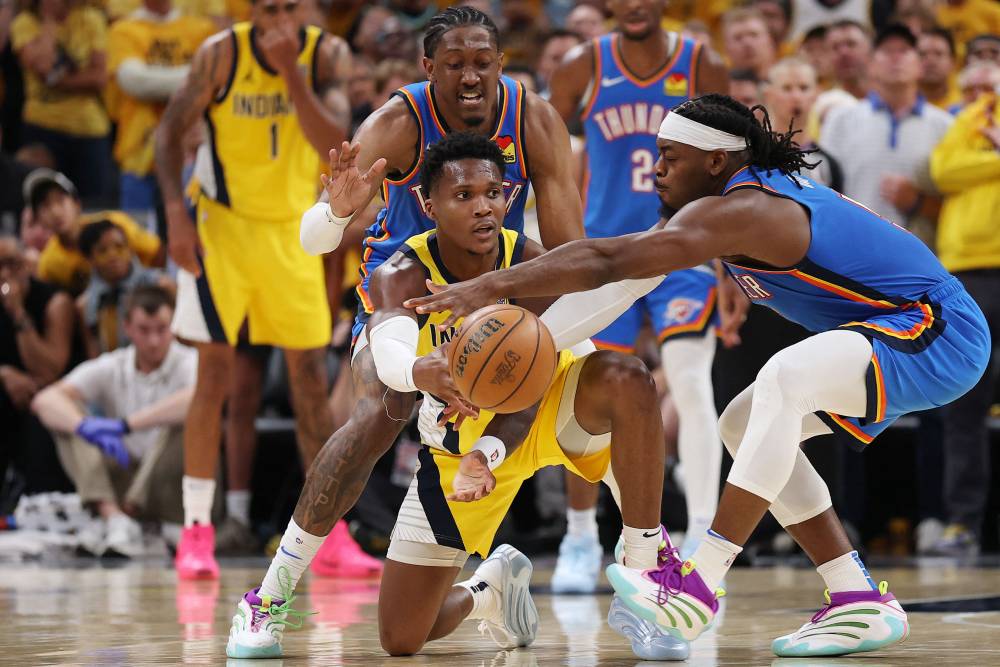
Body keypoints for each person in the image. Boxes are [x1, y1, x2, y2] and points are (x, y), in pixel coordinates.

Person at [405, 93, 991, 657]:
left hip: (938, 328)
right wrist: (510, 362)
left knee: (784, 378)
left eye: (670, 157)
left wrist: (492, 285)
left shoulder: (746, 208)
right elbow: (620, 284)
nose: (655, 170)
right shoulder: (718, 209)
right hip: (899, 329)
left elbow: (607, 260)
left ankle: (700, 581)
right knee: (742, 421)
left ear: (715, 161)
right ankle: (856, 597)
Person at [228, 130, 680, 661]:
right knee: (402, 637)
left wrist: (492, 448)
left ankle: (647, 581)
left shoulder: (527, 259)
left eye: (493, 193)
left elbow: (551, 360)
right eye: (464, 195)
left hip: (548, 412)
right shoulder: (401, 274)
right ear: (428, 205)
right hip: (457, 449)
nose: (482, 206)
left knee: (626, 378)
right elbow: (390, 351)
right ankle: (491, 590)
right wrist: (418, 371)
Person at [291, 5, 584, 581]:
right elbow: (314, 241)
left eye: (482, 62)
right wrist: (337, 212)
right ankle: (274, 590)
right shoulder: (397, 123)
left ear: (501, 63)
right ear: (429, 67)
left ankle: (611, 547)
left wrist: (549, 330)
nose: (470, 76)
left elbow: (569, 255)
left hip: (490, 295)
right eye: (454, 64)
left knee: (595, 380)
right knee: (382, 411)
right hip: (402, 294)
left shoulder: (534, 120)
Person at [154, 0, 350, 580]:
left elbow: (336, 143)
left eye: (289, 7)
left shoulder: (325, 56)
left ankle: (329, 537)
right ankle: (196, 532)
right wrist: (175, 217)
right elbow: (167, 135)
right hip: (222, 229)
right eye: (269, 8)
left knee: (309, 379)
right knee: (213, 373)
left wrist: (290, 73)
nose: (280, 19)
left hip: (293, 231)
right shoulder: (220, 56)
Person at [546, 0, 728, 597]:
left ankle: (702, 539)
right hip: (607, 253)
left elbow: (734, 171)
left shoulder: (701, 63)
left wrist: (731, 260)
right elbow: (548, 160)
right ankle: (580, 537)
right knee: (583, 395)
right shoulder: (581, 65)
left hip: (683, 246)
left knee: (692, 383)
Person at [31, 285, 195, 557]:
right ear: (127, 328)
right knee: (70, 419)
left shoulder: (191, 362)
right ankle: (115, 518)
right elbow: (44, 400)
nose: (154, 340)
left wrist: (126, 425)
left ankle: (127, 518)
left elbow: (200, 400)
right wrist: (83, 426)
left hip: (172, 488)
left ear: (174, 327)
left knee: (186, 420)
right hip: (124, 477)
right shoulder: (114, 364)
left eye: (162, 329)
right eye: (144, 330)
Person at [927, 85, 1000, 556]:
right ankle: (962, 522)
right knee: (964, 401)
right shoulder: (972, 116)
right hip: (965, 272)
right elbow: (943, 171)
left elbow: (959, 171)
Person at [820, 24, 953, 246]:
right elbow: (822, 192)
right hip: (852, 249)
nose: (896, 58)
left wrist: (919, 202)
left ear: (920, 65)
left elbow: (956, 205)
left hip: (923, 254)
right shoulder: (840, 120)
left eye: (905, 51)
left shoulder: (946, 125)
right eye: (887, 51)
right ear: (870, 64)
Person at [107, 0, 215, 214]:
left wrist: (204, 79)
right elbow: (134, 82)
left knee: (195, 231)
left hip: (192, 155)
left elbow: (216, 79)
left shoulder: (202, 30)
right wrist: (197, 78)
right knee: (139, 232)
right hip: (140, 156)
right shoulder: (124, 31)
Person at [9, 0, 112, 204]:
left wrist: (57, 81)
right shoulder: (25, 23)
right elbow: (44, 66)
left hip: (90, 130)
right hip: (43, 127)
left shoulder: (91, 19)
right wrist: (49, 20)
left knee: (93, 205)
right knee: (42, 202)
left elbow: (100, 78)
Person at [0, 234, 76, 499]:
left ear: (27, 264)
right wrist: (4, 374)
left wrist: (18, 313)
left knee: (40, 414)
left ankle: (42, 501)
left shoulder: (55, 302)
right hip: (9, 392)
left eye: (12, 264)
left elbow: (48, 370)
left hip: (51, 393)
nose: (5, 274)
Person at [26, 169, 162, 296]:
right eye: (45, 206)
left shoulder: (115, 224)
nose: (55, 212)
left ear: (77, 204)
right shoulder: (49, 263)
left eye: (60, 201)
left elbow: (157, 252)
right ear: (37, 218)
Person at [76, 219, 172, 356]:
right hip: (113, 365)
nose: (113, 255)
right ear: (89, 259)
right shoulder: (85, 304)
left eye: (119, 247)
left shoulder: (161, 286)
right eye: (102, 250)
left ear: (130, 249)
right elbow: (93, 351)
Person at [764, 57, 842, 191]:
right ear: (769, 95)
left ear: (816, 94)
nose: (796, 96)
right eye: (787, 88)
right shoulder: (755, 157)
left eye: (804, 88)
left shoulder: (827, 164)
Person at [722, 8, 778, 79]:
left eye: (754, 35)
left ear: (770, 40)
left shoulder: (790, 80)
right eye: (738, 38)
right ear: (727, 48)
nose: (747, 43)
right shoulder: (717, 84)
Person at [918, 27, 961, 111]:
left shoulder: (964, 103)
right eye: (923, 54)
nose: (930, 61)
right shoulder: (900, 103)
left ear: (953, 62)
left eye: (938, 54)